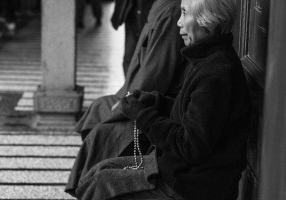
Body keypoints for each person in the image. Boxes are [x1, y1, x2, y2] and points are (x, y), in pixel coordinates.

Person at [66, 0, 252, 199]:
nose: (179, 23)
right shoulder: (208, 60)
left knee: (101, 184)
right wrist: (156, 102)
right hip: (177, 172)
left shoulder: (216, 74)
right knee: (99, 171)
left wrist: (144, 117)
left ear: (206, 21)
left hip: (189, 186)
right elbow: (192, 115)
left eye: (184, 14)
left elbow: (190, 147)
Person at [65, 0, 184, 195]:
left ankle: (92, 185)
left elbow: (155, 74)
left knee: (102, 134)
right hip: (139, 93)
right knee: (98, 107)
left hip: (149, 101)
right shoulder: (160, 6)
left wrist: (126, 103)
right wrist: (123, 95)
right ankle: (89, 183)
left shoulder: (172, 12)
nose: (183, 23)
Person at [111, 0, 155, 75]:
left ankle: (140, 84)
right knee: (129, 57)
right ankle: (129, 84)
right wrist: (117, 15)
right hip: (132, 20)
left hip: (148, 22)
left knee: (146, 56)